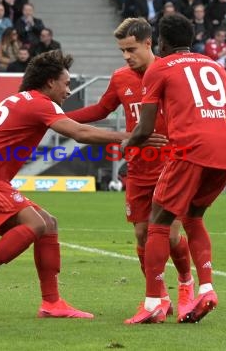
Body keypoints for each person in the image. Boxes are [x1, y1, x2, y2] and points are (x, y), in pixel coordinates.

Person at [0, 50, 130, 319]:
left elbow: (80, 121)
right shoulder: (39, 103)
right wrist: (129, 136)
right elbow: (79, 133)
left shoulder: (24, 100)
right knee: (34, 224)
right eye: (66, 83)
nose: (68, 90)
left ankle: (52, 303)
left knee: (48, 224)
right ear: (50, 83)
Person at [122, 14, 226, 324]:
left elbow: (145, 126)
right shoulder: (215, 66)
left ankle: (154, 301)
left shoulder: (160, 68)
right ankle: (206, 289)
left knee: (158, 221)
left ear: (161, 43)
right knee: (193, 218)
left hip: (190, 150)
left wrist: (127, 146)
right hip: (223, 154)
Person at [65, 17, 193, 321]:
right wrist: (59, 116)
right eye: (122, 50)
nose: (126, 56)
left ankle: (186, 286)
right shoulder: (121, 78)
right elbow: (100, 110)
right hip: (138, 167)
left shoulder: (170, 73)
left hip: (171, 164)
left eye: (131, 49)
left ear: (149, 43)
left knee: (169, 234)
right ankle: (159, 297)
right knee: (141, 233)